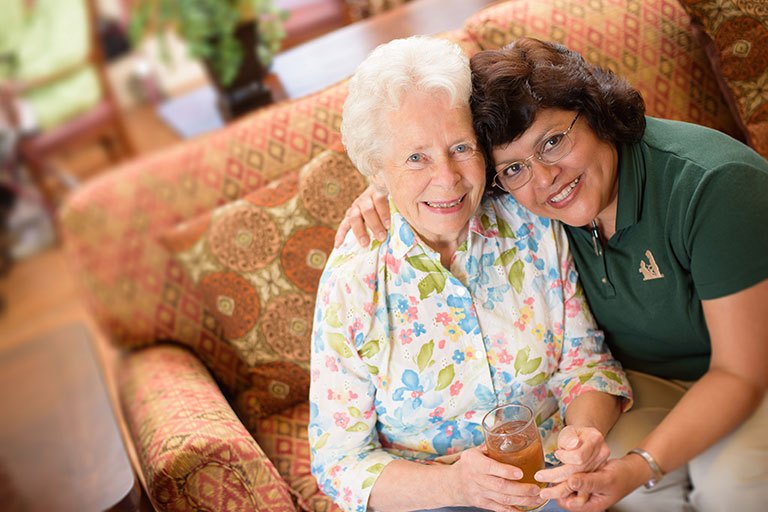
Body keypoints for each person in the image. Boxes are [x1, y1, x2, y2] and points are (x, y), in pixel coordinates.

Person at [335, 37, 768, 512]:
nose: (545, 179)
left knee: (725, 490)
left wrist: (638, 463)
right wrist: (386, 188)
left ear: (597, 111)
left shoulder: (710, 185)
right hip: (649, 381)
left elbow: (739, 371)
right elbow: (435, 169)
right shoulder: (513, 204)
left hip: (747, 370)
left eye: (554, 141)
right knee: (616, 492)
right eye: (516, 167)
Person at [308, 36, 633, 512]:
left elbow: (586, 363)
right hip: (433, 500)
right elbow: (339, 461)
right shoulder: (353, 283)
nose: (448, 178)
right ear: (377, 170)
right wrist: (453, 489)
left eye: (460, 148)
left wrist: (580, 435)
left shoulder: (532, 224)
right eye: (416, 157)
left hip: (555, 485)